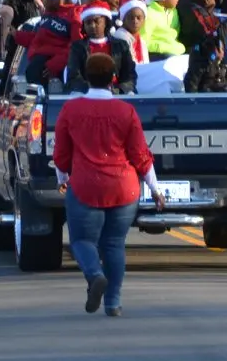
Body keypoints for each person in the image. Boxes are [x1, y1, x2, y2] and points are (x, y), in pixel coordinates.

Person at [52, 51, 165, 317]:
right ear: (113, 78)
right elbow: (140, 155)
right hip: (124, 188)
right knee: (114, 243)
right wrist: (156, 189)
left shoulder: (71, 109)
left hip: (86, 185)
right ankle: (113, 302)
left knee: (82, 240)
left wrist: (62, 179)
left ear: (85, 77)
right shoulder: (126, 110)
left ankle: (94, 275)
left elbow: (61, 154)